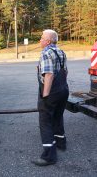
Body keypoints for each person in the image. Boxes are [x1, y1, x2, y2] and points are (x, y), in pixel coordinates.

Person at [32, 29, 69, 166]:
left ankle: (49, 156)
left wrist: (45, 96)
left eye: (41, 38)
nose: (40, 40)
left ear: (47, 41)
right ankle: (61, 143)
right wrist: (61, 87)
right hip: (63, 90)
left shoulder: (46, 53)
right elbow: (65, 71)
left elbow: (49, 75)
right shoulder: (61, 52)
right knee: (58, 116)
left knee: (45, 121)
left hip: (51, 92)